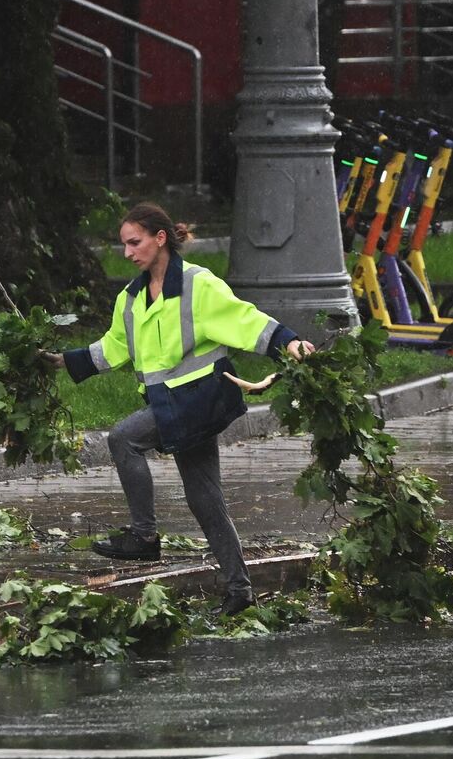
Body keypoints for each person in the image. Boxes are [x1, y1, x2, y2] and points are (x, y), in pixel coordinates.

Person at [50, 203, 316, 616]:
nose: (127, 253)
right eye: (123, 245)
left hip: (198, 402)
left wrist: (289, 341)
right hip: (172, 407)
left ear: (160, 239)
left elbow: (243, 320)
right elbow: (113, 348)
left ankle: (144, 536)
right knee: (205, 501)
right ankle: (240, 591)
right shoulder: (132, 298)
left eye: (134, 242)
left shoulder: (198, 285)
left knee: (123, 439)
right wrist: (64, 361)